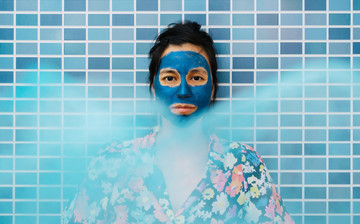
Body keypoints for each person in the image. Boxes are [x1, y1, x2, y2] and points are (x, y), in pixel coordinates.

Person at [62, 21, 294, 224]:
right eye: (170, 78)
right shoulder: (111, 163)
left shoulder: (243, 166)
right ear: (154, 87)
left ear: (212, 88)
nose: (183, 91)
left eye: (196, 77)